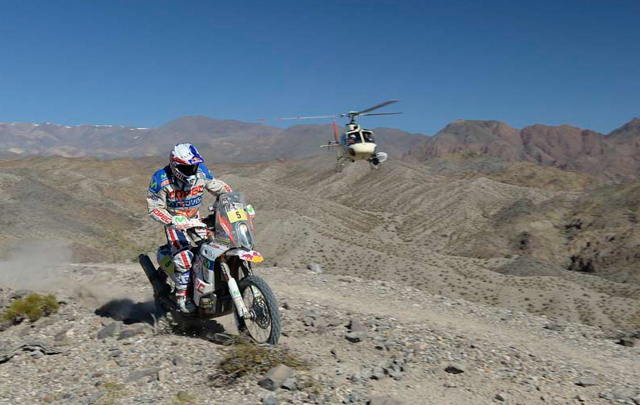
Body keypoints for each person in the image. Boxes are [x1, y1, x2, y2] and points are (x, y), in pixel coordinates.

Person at [146, 143, 232, 313]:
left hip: (195, 219)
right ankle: (182, 298)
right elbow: (154, 208)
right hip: (175, 222)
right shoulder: (161, 179)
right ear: (176, 166)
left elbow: (220, 187)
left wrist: (231, 200)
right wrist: (172, 220)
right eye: (187, 168)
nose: (192, 170)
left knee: (218, 245)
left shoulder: (202, 172)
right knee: (184, 258)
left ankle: (211, 287)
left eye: (194, 166)